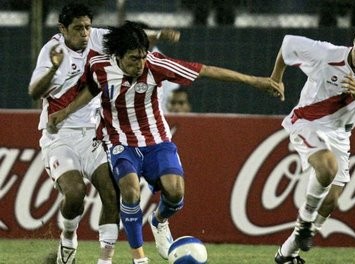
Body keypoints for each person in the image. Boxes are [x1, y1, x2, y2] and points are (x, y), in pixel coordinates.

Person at [46, 21, 283, 264]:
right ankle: (139, 258)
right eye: (133, 59)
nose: (139, 64)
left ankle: (159, 220)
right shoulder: (98, 65)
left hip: (156, 139)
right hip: (120, 141)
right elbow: (92, 89)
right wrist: (64, 112)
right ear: (117, 56)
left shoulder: (155, 65)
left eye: (142, 57)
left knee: (175, 193)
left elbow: (206, 70)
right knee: (129, 190)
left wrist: (257, 82)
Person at [27, 3, 180, 264]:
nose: (85, 33)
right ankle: (68, 236)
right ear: (62, 29)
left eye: (87, 26)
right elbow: (34, 91)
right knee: (75, 194)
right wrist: (53, 68)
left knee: (112, 194)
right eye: (78, 28)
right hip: (59, 135)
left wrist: (160, 34)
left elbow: (128, 39)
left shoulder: (96, 37)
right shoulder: (52, 50)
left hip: (95, 134)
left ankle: (104, 260)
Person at [269, 24, 355, 263]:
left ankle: (287, 254)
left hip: (340, 134)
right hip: (306, 121)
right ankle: (304, 221)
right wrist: (276, 78)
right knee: (327, 166)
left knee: (332, 200)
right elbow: (287, 44)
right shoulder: (326, 53)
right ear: (354, 41)